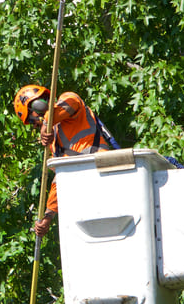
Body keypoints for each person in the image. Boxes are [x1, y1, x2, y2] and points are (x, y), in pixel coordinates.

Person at [13, 84, 120, 235]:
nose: (34, 125)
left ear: (37, 106)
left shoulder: (67, 100)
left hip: (100, 168)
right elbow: (60, 180)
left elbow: (72, 102)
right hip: (85, 189)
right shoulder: (55, 144)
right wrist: (48, 216)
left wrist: (45, 123)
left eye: (31, 120)